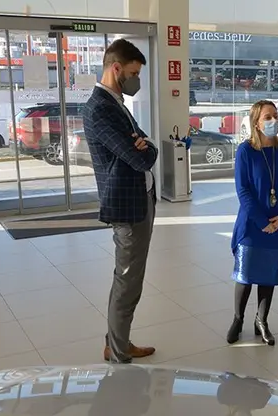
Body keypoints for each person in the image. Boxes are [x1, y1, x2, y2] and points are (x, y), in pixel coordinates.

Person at [83, 39, 158, 364]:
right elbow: (140, 158)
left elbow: (150, 148)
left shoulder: (116, 104)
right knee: (127, 280)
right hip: (128, 208)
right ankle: (117, 351)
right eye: (133, 73)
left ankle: (117, 341)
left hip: (140, 200)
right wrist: (143, 148)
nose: (136, 79)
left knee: (130, 278)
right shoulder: (100, 109)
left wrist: (145, 146)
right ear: (116, 68)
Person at [227, 100, 278, 346]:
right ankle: (238, 319)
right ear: (256, 123)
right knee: (245, 276)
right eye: (268, 117)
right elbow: (243, 190)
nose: (274, 121)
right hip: (252, 225)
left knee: (268, 276)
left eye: (275, 116)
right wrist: (261, 221)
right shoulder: (246, 151)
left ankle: (262, 321)